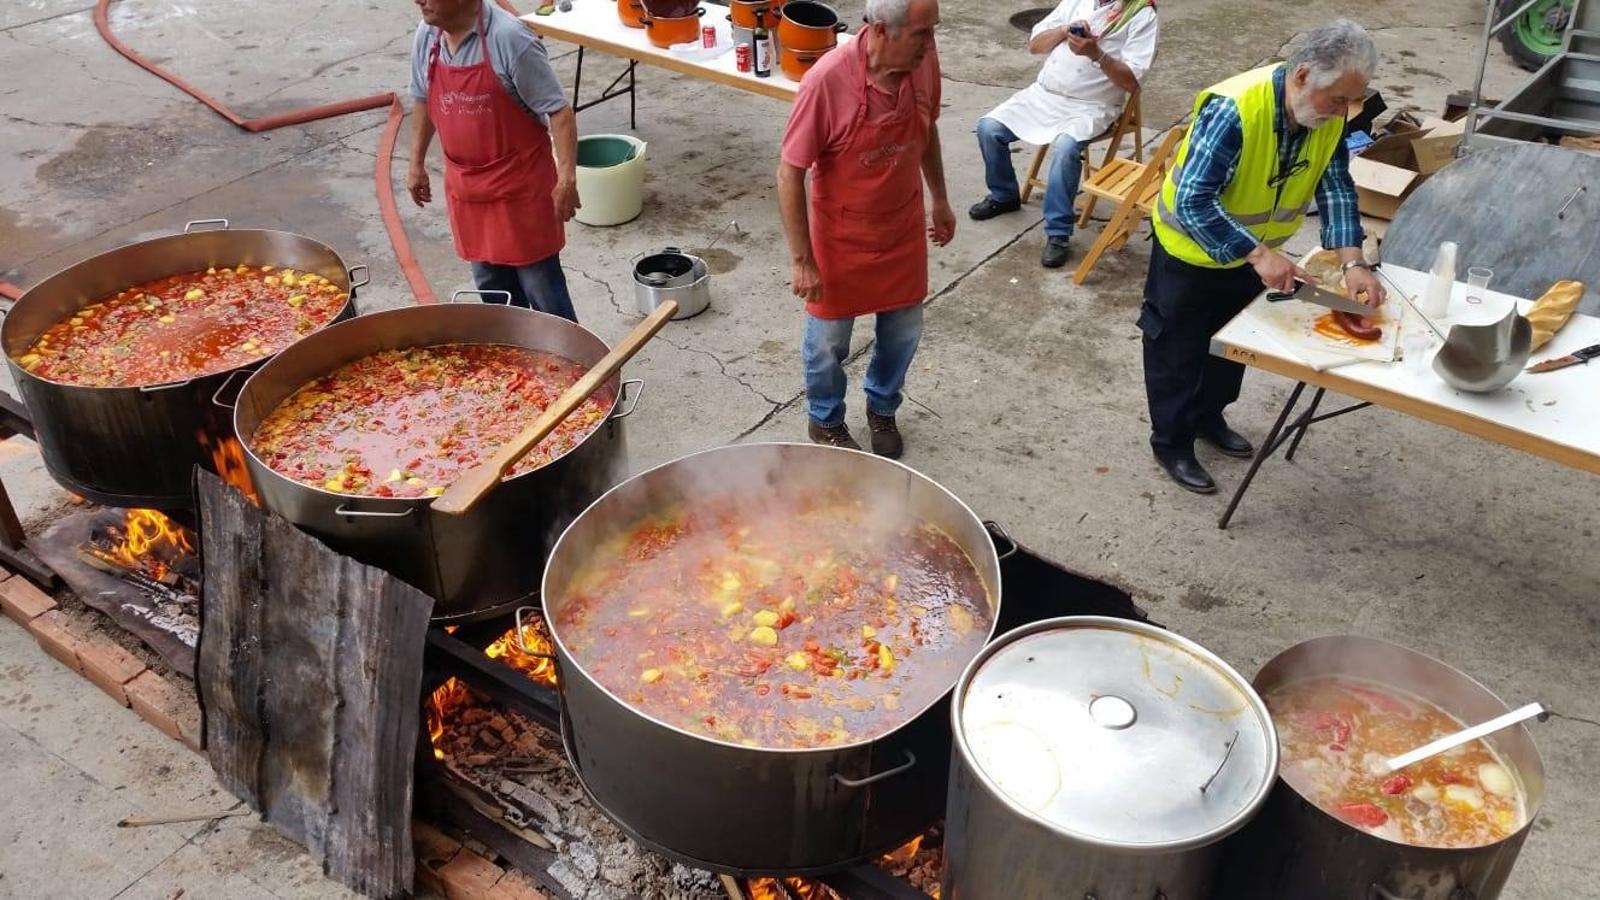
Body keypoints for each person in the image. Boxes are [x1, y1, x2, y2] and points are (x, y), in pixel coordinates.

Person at [1141, 19, 1386, 493]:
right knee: (1177, 353)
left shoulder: (1326, 119)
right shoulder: (1236, 109)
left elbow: (1335, 185)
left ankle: (1209, 419)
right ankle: (1171, 442)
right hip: (1191, 252)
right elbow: (1192, 201)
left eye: (1349, 101)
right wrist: (1257, 253)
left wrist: (1354, 261)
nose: (1342, 114)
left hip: (1254, 256)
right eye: (1336, 99)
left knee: (1230, 349)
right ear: (1301, 76)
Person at [776, 0, 955, 458]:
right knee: (828, 344)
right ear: (880, 30)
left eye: (933, 31)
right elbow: (790, 172)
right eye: (921, 34)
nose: (930, 45)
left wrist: (940, 199)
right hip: (841, 237)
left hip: (902, 226)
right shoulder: (825, 82)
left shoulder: (923, 63)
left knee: (904, 331)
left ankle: (882, 405)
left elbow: (926, 128)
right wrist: (802, 260)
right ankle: (825, 420)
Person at [407, 0, 582, 321]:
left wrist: (566, 177)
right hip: (469, 194)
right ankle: (513, 370)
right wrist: (416, 163)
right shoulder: (428, 35)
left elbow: (559, 112)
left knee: (543, 294)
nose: (418, 1)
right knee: (495, 296)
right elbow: (422, 98)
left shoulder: (510, 38)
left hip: (521, 192)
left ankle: (580, 370)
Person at [969, 0, 1157, 268]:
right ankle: (1004, 196)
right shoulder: (1077, 1)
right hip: (1044, 94)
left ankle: (1058, 233)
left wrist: (1097, 54)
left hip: (1091, 105)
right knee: (988, 128)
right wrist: (1064, 30)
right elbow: (1035, 45)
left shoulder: (1141, 14)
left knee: (1066, 148)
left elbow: (1132, 83)